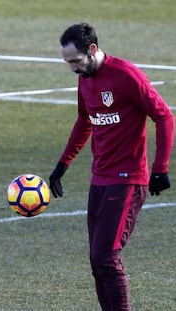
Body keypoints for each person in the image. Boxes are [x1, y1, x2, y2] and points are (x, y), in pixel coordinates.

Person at [49, 23, 174, 310]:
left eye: (76, 61)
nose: (72, 69)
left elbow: (164, 117)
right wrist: (63, 163)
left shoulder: (126, 75)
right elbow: (85, 120)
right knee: (97, 259)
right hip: (100, 180)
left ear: (92, 50)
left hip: (128, 180)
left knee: (106, 255)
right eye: (67, 63)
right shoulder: (85, 78)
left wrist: (160, 168)